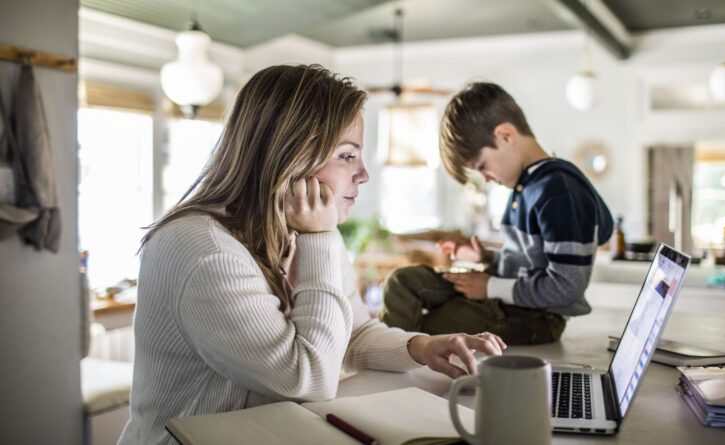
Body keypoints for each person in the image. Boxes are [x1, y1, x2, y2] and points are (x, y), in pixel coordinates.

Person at [118, 65, 505, 445]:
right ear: (292, 156)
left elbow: (352, 333)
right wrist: (320, 239)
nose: (364, 174)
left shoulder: (307, 232)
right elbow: (307, 378)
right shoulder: (205, 249)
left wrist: (421, 347)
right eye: (347, 155)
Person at [379, 82, 613, 345]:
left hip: (536, 316)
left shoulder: (560, 191)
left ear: (505, 136)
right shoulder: (526, 186)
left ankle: (400, 365)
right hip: (506, 294)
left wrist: (489, 286)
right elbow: (529, 261)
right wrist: (485, 257)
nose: (486, 179)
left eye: (483, 166)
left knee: (431, 326)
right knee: (402, 282)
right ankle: (394, 352)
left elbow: (567, 288)